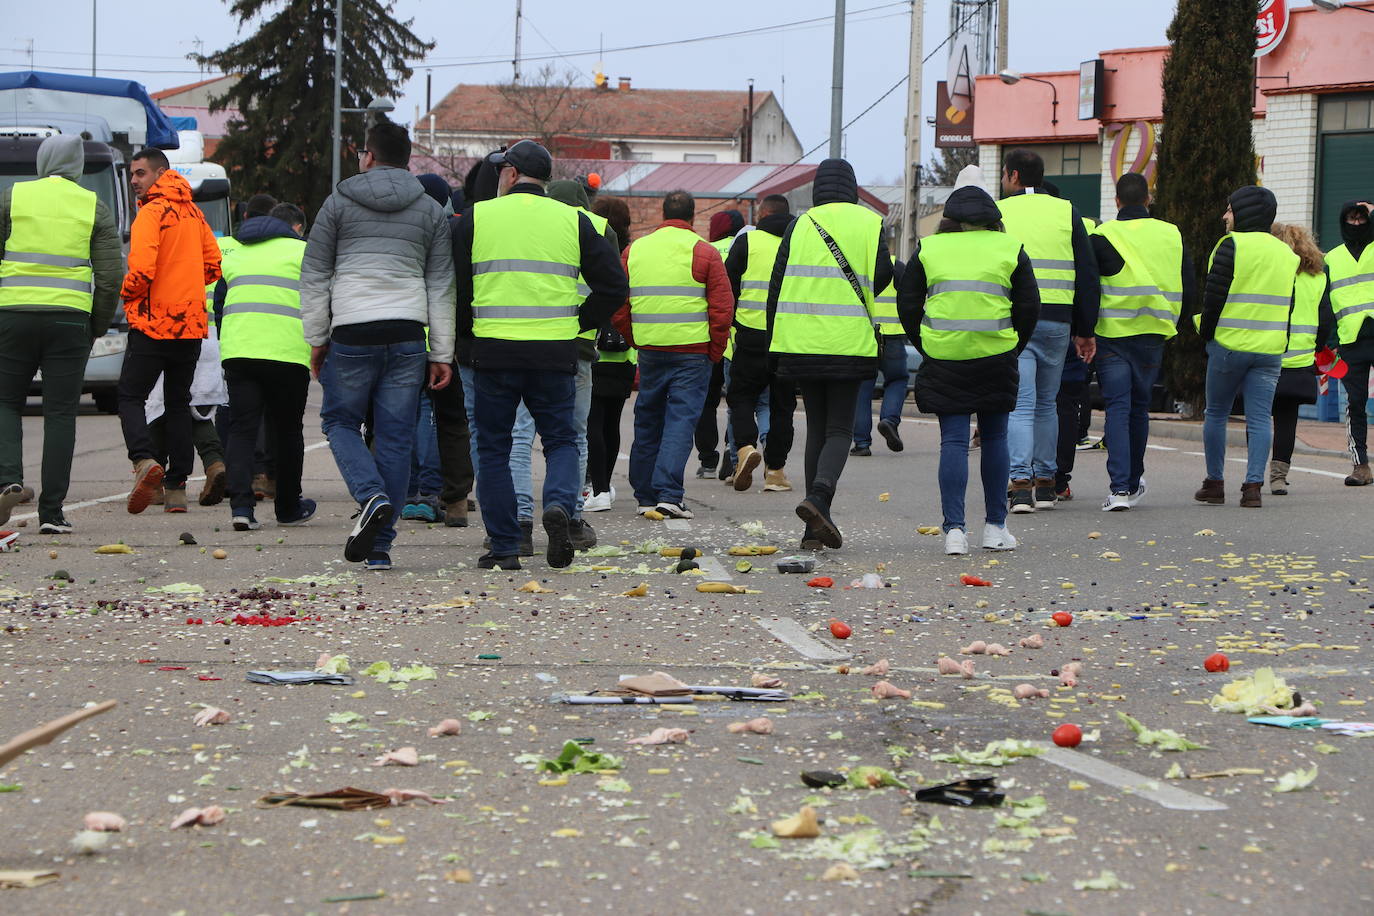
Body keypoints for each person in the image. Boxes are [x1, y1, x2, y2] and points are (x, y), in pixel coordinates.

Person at [454, 140, 627, 569]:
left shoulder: (476, 217)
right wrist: (577, 322)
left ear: (510, 174)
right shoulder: (573, 220)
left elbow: (455, 288)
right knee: (563, 440)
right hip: (554, 351)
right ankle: (559, 510)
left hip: (491, 351)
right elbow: (614, 287)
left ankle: (505, 545)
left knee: (493, 447)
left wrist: (465, 340)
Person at [301, 119, 455, 570]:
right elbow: (441, 283)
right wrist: (441, 352)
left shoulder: (338, 203)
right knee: (395, 436)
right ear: (407, 159)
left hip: (352, 329)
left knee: (339, 422)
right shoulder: (429, 210)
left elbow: (314, 276)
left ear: (368, 155)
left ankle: (370, 498)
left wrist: (316, 338)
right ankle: (381, 547)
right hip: (407, 333)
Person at [899, 183, 1039, 554]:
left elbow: (908, 301)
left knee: (954, 442)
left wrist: (926, 342)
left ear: (952, 219)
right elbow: (1029, 306)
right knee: (995, 439)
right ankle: (995, 528)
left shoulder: (930, 248)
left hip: (945, 356)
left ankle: (954, 533)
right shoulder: (1010, 248)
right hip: (996, 355)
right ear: (992, 219)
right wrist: (1013, 344)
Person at [766, 158, 892, 548]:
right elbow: (884, 275)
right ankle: (819, 498)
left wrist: (775, 339)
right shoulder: (870, 224)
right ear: (853, 188)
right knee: (840, 428)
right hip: (848, 340)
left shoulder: (799, 224)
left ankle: (813, 530)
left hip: (801, 340)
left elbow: (777, 283)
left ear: (818, 188)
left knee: (817, 430)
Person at [0, 134, 121, 531]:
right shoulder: (94, 207)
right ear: (78, 166)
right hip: (69, 320)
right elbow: (109, 277)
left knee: (5, 402)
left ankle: (8, 481)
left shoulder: (11, 197)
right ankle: (51, 513)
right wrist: (96, 326)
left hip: (12, 315)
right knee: (61, 413)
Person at [117, 147, 222, 514]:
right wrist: (184, 285)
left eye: (140, 173)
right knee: (179, 403)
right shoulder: (194, 212)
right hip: (190, 325)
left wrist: (126, 293)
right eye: (132, 174)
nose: (134, 181)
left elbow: (142, 271)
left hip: (153, 323)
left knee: (130, 396)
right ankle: (177, 489)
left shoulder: (151, 212)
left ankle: (144, 460)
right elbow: (213, 265)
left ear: (161, 173)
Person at [614, 190, 731, 519]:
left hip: (650, 349)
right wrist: (715, 351)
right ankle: (669, 494)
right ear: (693, 217)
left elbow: (620, 304)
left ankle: (645, 495)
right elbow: (722, 308)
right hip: (692, 352)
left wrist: (634, 338)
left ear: (663, 214)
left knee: (648, 419)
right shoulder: (704, 252)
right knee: (680, 420)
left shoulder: (634, 250)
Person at [997, 148, 1100, 513]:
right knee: (1047, 403)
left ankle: (1020, 485)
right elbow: (1087, 273)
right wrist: (1085, 329)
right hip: (1059, 321)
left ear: (1012, 176)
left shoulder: (1001, 212)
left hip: (1015, 319)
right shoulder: (1066, 210)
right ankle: (1046, 484)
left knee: (1021, 405)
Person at [213, 200, 316, 531]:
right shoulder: (301, 252)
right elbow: (319, 300)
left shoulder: (238, 253)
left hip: (240, 351)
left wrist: (232, 340)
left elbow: (219, 304)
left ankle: (241, 508)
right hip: (287, 353)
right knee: (286, 431)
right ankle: (288, 507)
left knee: (242, 429)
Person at [1089, 171, 1190, 511]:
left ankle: (1118, 491)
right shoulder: (1171, 233)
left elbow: (1089, 287)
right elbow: (1188, 282)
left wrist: (1084, 330)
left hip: (1112, 334)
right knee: (1139, 409)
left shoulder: (1103, 235)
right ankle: (1132, 483)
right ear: (1148, 200)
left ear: (1117, 201)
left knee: (1117, 406)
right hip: (1154, 332)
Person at [1194, 186, 1298, 508]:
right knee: (1259, 418)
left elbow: (1213, 297)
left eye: (1229, 209)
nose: (1225, 216)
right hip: (1269, 349)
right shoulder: (1286, 253)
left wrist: (1206, 335)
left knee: (1216, 413)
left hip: (1229, 345)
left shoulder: (1231, 245)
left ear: (1244, 212)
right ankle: (1253, 487)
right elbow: (1289, 304)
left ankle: (1214, 483)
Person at [410, 173, 474, 528]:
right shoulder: (460, 230)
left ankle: (413, 492)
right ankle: (454, 499)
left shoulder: (411, 229)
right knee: (452, 419)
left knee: (409, 414)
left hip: (411, 333)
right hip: (451, 337)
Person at [724, 193, 796, 492]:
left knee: (741, 397)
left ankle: (744, 449)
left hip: (751, 336)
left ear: (762, 215)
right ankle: (776, 473)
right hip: (788, 337)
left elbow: (727, 288)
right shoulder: (798, 244)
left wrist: (733, 323)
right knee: (782, 406)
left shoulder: (747, 242)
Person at [1268, 222, 1333, 495]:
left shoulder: (1271, 273)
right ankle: (1278, 477)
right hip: (1301, 360)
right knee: (1287, 420)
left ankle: (1253, 474)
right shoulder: (1318, 278)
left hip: (1266, 354)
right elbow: (1326, 320)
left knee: (1258, 417)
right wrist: (1314, 347)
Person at [585, 196, 635, 511]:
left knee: (592, 421)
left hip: (594, 348)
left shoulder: (591, 252)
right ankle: (604, 485)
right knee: (612, 423)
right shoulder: (631, 255)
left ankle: (598, 486)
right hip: (625, 353)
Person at [693, 208, 747, 480]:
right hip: (738, 339)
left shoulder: (703, 250)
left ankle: (708, 460)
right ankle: (731, 446)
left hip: (707, 337)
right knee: (737, 400)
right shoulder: (746, 248)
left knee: (706, 402)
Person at [1327, 200, 1374, 486]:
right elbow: (1326, 303)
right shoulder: (1332, 258)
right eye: (1351, 220)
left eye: (1362, 219)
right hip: (1350, 340)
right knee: (1354, 405)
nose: (1356, 225)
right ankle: (1361, 466)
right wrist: (1330, 341)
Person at [852, 256, 909, 454]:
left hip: (864, 336)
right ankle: (890, 420)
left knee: (862, 389)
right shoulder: (896, 265)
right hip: (893, 336)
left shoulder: (856, 262)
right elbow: (908, 297)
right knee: (897, 380)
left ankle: (861, 443)